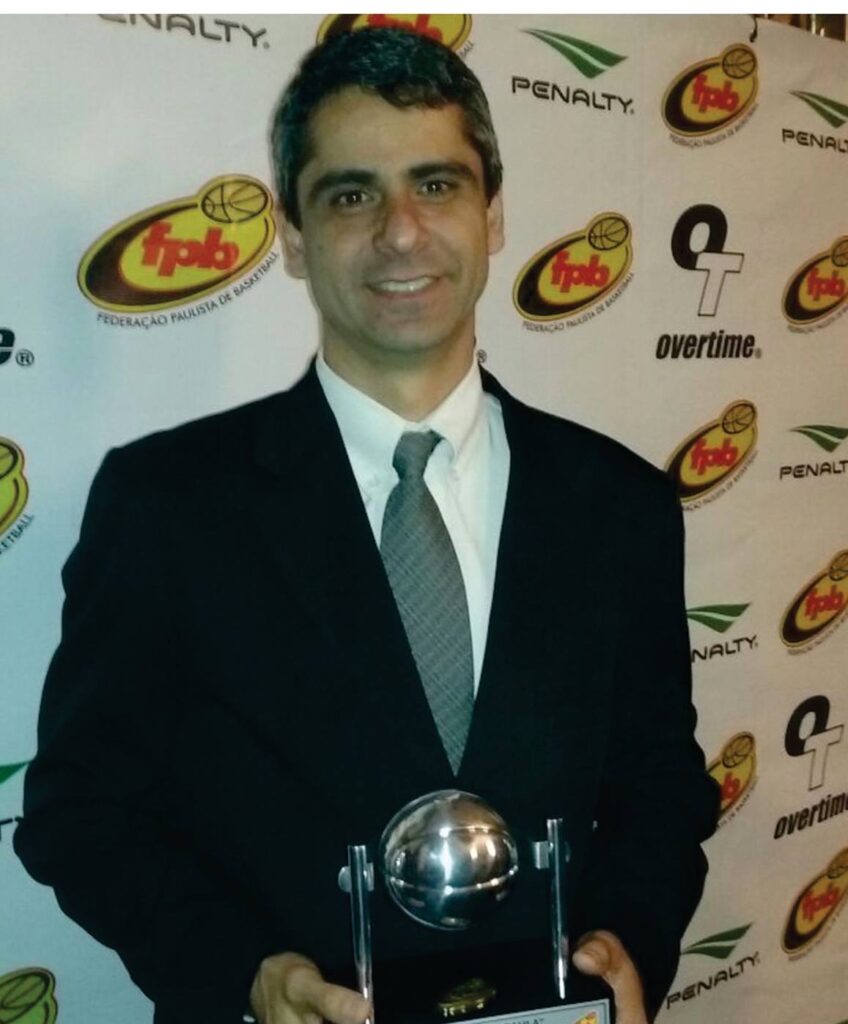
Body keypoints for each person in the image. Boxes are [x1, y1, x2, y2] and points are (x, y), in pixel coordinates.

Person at [15, 26, 718, 1024]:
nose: (400, 231)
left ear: (493, 213)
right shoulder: (168, 506)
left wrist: (630, 942)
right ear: (295, 236)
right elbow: (80, 811)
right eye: (351, 195)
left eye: (436, 184)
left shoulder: (619, 504)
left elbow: (660, 785)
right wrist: (246, 972)